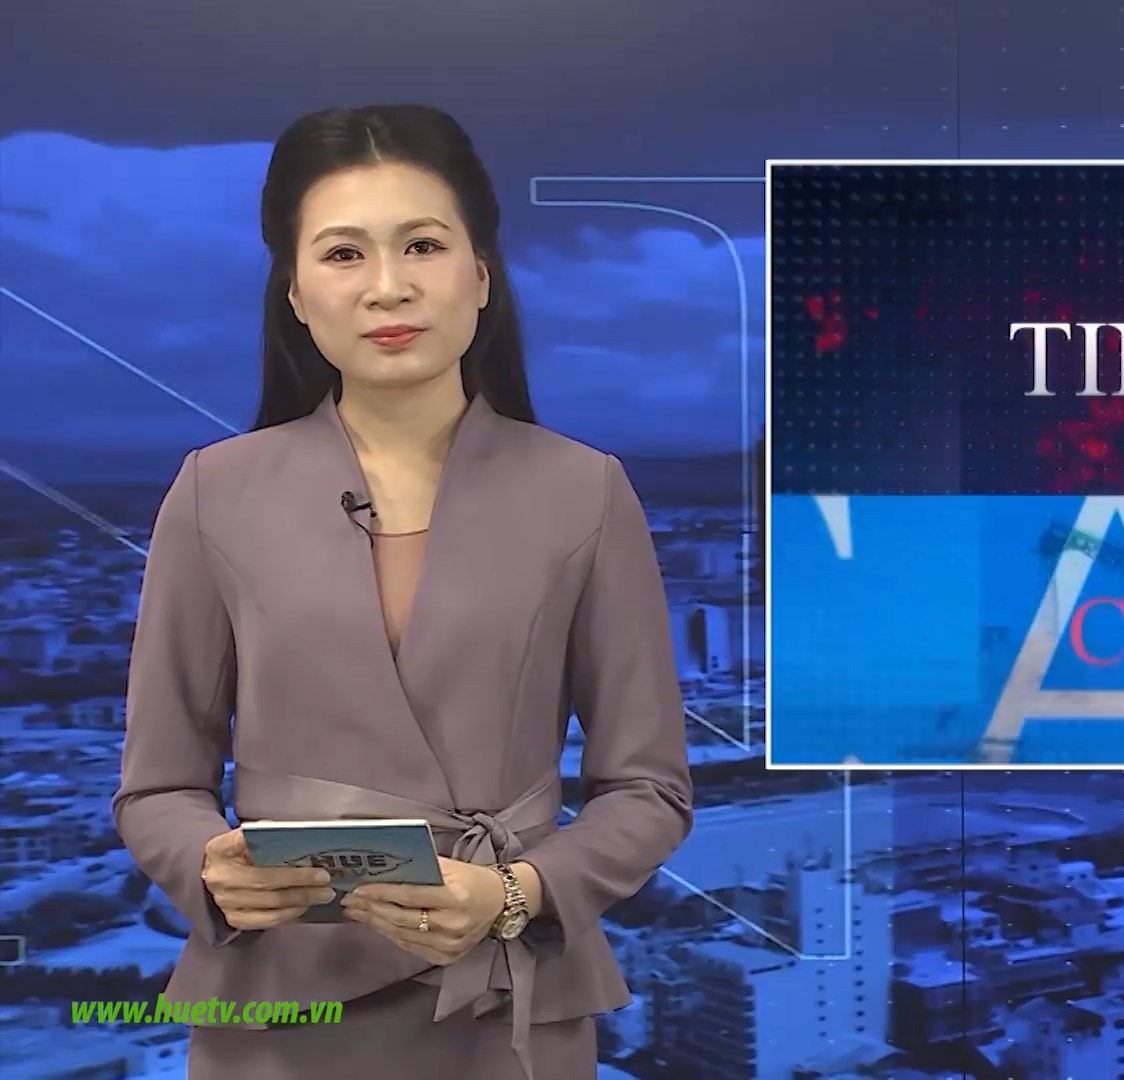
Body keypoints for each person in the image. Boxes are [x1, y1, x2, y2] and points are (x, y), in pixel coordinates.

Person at [112, 104, 695, 1080]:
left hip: (507, 995)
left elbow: (650, 787)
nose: (389, 286)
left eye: (423, 245)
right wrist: (206, 867)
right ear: (296, 293)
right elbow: (158, 785)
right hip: (279, 1002)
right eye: (344, 254)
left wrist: (515, 893)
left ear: (481, 276)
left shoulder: (584, 491)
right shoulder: (214, 491)